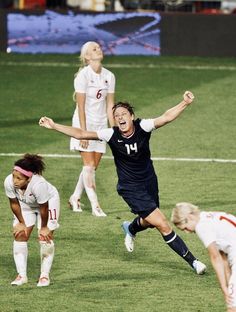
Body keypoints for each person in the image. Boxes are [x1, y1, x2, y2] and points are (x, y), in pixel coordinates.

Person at [39, 90, 206, 274]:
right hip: (130, 187)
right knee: (162, 223)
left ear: (131, 116)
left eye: (123, 114)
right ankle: (194, 262)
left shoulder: (143, 126)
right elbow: (81, 134)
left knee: (149, 222)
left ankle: (130, 228)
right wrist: (54, 126)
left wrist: (185, 103)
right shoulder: (111, 134)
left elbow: (166, 117)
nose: (120, 118)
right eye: (116, 115)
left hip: (149, 181)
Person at [69, 41, 115, 217]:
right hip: (84, 123)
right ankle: (96, 206)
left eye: (99, 47)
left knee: (92, 167)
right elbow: (80, 107)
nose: (99, 49)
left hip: (101, 125)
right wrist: (83, 133)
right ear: (87, 57)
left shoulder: (109, 76)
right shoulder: (83, 76)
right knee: (88, 166)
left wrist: (115, 131)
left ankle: (75, 197)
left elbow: (110, 105)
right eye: (94, 49)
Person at [4, 154, 60, 287]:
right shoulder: (8, 182)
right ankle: (21, 275)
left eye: (19, 178)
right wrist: (21, 223)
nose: (15, 181)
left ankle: (44, 276)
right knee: (20, 235)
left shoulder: (38, 184)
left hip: (48, 203)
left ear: (28, 179)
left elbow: (44, 207)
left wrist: (45, 227)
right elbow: (14, 203)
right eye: (13, 176)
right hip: (26, 205)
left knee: (44, 237)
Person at [171, 202, 236, 311]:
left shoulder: (202, 226)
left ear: (190, 216)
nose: (187, 232)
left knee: (232, 306)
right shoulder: (208, 216)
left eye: (186, 228)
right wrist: (229, 282)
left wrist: (224, 288)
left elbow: (215, 258)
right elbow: (223, 255)